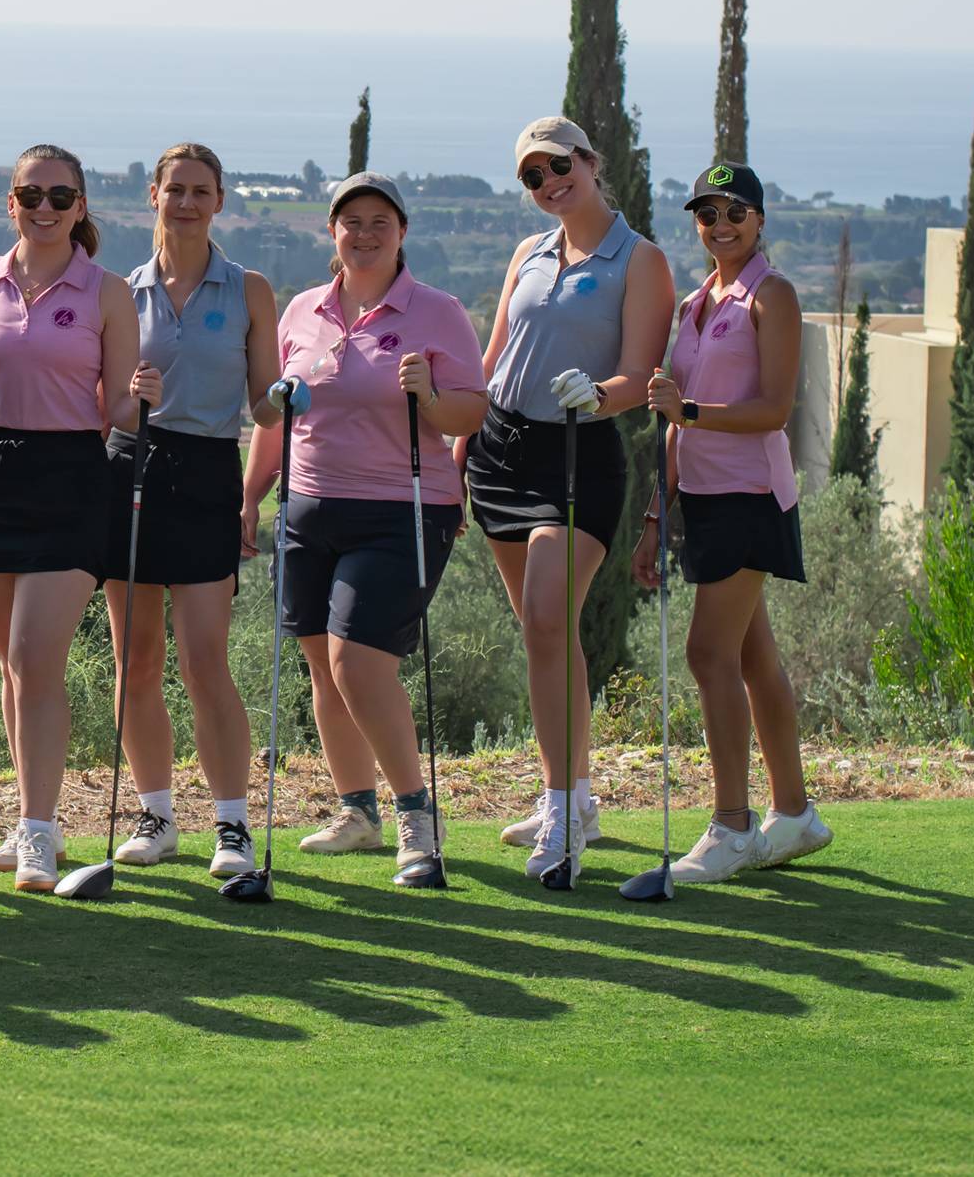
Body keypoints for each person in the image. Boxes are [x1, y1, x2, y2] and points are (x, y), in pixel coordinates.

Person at [252, 173, 488, 878]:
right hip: (308, 505)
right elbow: (275, 417)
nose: (364, 231)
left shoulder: (437, 312)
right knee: (323, 666)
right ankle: (358, 812)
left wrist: (431, 397)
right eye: (350, 221)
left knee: (359, 663)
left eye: (379, 220)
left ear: (402, 231)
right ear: (332, 232)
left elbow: (469, 415)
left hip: (404, 510)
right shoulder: (301, 311)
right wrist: (251, 495)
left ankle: (418, 815)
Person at [465, 116, 673, 883]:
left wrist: (598, 394)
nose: (548, 183)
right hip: (499, 452)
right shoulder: (531, 252)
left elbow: (639, 376)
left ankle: (562, 808)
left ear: (590, 161)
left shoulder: (639, 259)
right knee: (542, 633)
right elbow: (493, 361)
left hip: (578, 455)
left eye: (558, 166)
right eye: (532, 176)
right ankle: (575, 796)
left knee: (550, 621)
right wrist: (461, 447)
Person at [634, 163, 831, 881]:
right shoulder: (696, 301)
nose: (721, 227)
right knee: (752, 659)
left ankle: (732, 826)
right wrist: (659, 513)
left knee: (707, 656)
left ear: (759, 219)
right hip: (705, 500)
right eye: (707, 215)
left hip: (751, 497)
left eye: (734, 213)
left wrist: (686, 411)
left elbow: (774, 410)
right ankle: (796, 815)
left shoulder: (771, 296)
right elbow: (673, 424)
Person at [0, 144, 141, 893]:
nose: (44, 208)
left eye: (60, 196)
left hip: (71, 478)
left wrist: (145, 398)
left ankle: (37, 829)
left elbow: (120, 410)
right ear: (11, 203)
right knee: (11, 663)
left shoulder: (108, 291)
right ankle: (38, 821)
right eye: (30, 195)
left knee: (35, 658)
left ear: (81, 206)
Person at [98, 143, 280, 881]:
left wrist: (289, 397)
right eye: (176, 190)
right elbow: (98, 396)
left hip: (207, 468)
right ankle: (156, 813)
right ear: (153, 195)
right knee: (135, 661)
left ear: (220, 201)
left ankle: (231, 824)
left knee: (205, 659)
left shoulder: (249, 290)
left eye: (201, 191)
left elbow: (264, 399)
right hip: (128, 463)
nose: (187, 203)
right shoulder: (120, 290)